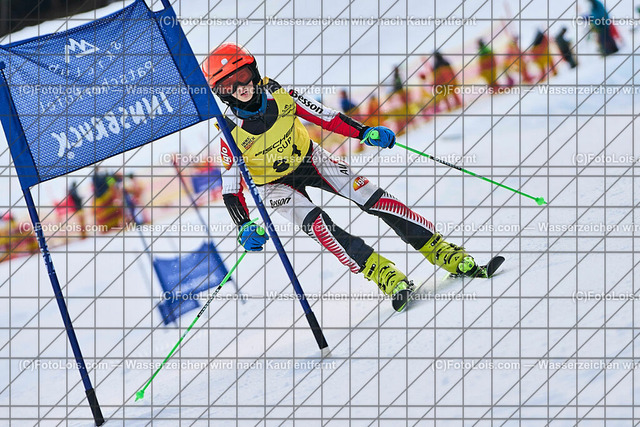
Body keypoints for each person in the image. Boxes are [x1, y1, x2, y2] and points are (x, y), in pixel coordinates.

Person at [202, 43, 490, 312]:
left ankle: (440, 250)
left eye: (242, 76)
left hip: (311, 159)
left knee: (374, 197)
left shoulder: (280, 94)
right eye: (229, 85)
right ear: (221, 92)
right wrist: (243, 224)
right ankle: (383, 273)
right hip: (274, 185)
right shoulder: (229, 131)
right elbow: (231, 189)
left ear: (253, 71)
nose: (240, 87)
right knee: (321, 227)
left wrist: (365, 132)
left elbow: (327, 117)